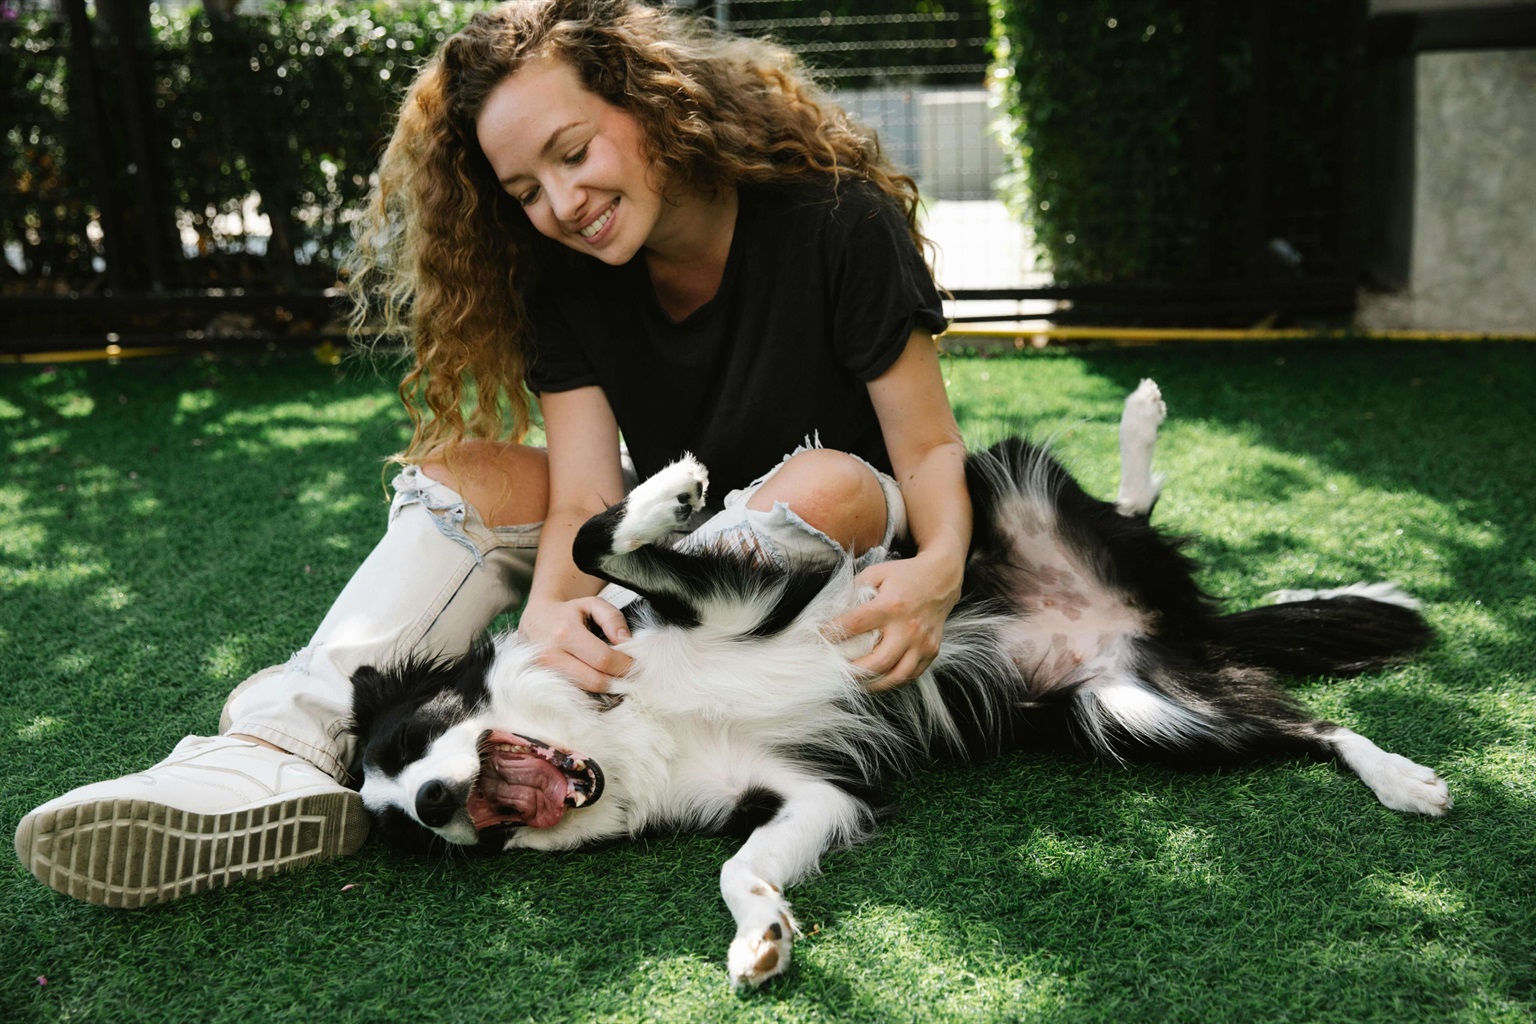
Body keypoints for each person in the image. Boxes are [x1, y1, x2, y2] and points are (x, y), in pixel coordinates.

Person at [14, 0, 970, 908]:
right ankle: (274, 750)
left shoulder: (835, 219)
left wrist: (937, 570)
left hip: (843, 533)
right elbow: (583, 493)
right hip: (674, 524)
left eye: (575, 152)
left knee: (826, 482)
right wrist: (558, 613)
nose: (564, 202)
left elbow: (926, 446)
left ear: (652, 105)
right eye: (526, 191)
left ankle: (631, 659)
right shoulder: (567, 277)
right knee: (458, 474)